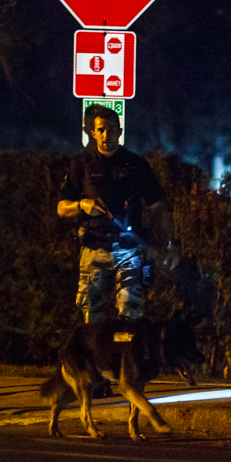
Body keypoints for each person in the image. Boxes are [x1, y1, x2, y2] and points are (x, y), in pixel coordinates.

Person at [58, 104, 175, 324]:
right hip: (93, 246)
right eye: (101, 130)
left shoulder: (136, 165)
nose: (106, 135)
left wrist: (170, 244)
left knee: (130, 312)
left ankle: (127, 357)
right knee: (92, 318)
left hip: (129, 248)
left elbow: (158, 207)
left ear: (120, 131)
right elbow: (61, 207)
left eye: (112, 129)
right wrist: (81, 205)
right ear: (93, 132)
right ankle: (99, 358)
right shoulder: (81, 164)